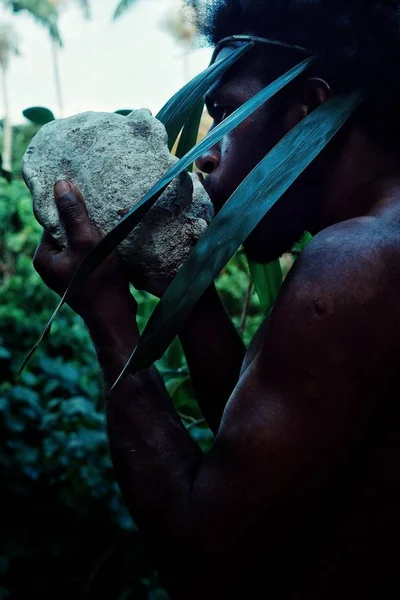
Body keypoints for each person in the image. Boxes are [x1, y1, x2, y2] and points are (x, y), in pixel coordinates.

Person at [33, 1, 400, 597]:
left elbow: (205, 564)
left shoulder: (355, 261)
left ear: (305, 108)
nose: (203, 157)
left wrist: (109, 318)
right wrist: (186, 285)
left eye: (226, 114)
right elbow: (270, 434)